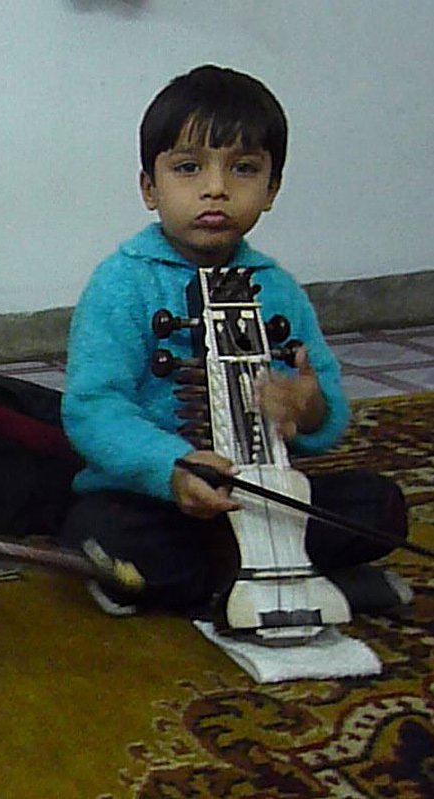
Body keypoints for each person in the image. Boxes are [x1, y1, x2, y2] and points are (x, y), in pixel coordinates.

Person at [58, 64, 411, 619]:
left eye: (244, 169)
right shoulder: (121, 283)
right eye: (188, 168)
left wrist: (308, 409)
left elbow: (325, 403)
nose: (216, 188)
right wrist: (171, 466)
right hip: (153, 497)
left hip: (262, 498)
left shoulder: (278, 288)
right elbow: (93, 407)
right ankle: (302, 582)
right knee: (103, 534)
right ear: (150, 188)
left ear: (271, 189)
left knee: (380, 507)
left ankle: (214, 587)